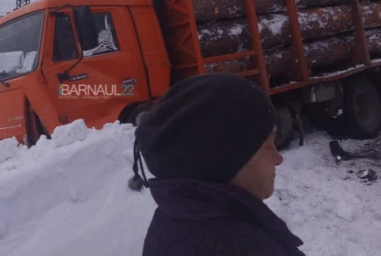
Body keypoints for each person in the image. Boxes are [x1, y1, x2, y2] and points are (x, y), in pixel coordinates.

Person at [128, 73, 306, 256]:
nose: (278, 159)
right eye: (268, 145)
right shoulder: (250, 248)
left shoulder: (173, 217)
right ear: (225, 160)